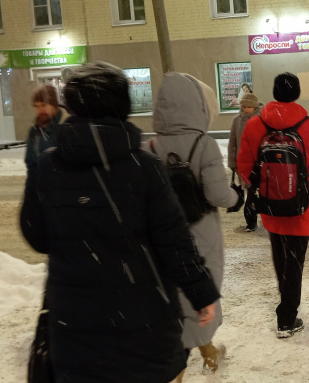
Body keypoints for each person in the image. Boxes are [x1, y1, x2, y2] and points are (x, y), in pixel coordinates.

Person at [19, 62, 221, 382]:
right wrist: (201, 293)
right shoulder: (145, 168)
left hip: (76, 325)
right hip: (143, 325)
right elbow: (174, 241)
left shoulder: (48, 167)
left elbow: (36, 236)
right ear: (122, 106)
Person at [148, 72, 241, 378]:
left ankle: (207, 350)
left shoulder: (150, 147)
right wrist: (237, 197)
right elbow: (218, 195)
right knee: (199, 293)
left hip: (162, 234)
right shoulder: (204, 144)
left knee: (174, 295)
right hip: (201, 232)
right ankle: (180, 368)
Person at [237, 72, 309, 338]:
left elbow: (244, 164)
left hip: (271, 204)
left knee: (280, 256)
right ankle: (287, 318)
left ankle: (286, 306)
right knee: (295, 261)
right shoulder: (308, 125)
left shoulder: (256, 124)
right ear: (296, 93)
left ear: (275, 92)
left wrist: (263, 185)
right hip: (300, 204)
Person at [228, 92, 262, 232]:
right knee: (250, 192)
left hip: (259, 162)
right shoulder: (237, 120)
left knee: (258, 192)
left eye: (249, 107)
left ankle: (261, 217)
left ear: (255, 107)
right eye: (244, 106)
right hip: (242, 163)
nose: (246, 109)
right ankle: (251, 221)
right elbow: (232, 143)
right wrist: (232, 162)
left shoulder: (262, 119)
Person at [24, 85, 63, 177]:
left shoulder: (66, 127)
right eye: (36, 106)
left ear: (54, 106)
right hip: (42, 184)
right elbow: (32, 166)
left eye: (44, 105)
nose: (40, 110)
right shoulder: (35, 132)